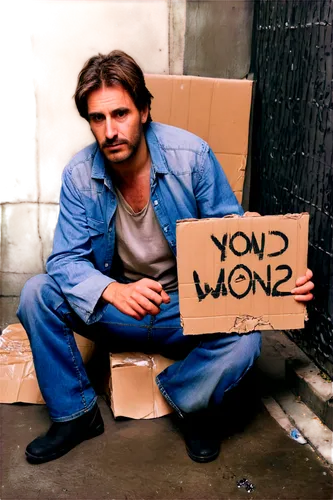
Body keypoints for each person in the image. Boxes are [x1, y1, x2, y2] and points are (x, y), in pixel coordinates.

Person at [16, 50, 314, 465]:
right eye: (97, 119)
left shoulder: (191, 157)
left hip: (186, 311)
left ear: (144, 109)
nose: (109, 131)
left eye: (120, 114)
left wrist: (279, 283)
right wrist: (111, 290)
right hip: (122, 310)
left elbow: (233, 242)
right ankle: (76, 414)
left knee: (247, 337)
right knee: (36, 293)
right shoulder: (80, 174)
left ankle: (192, 400)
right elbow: (65, 261)